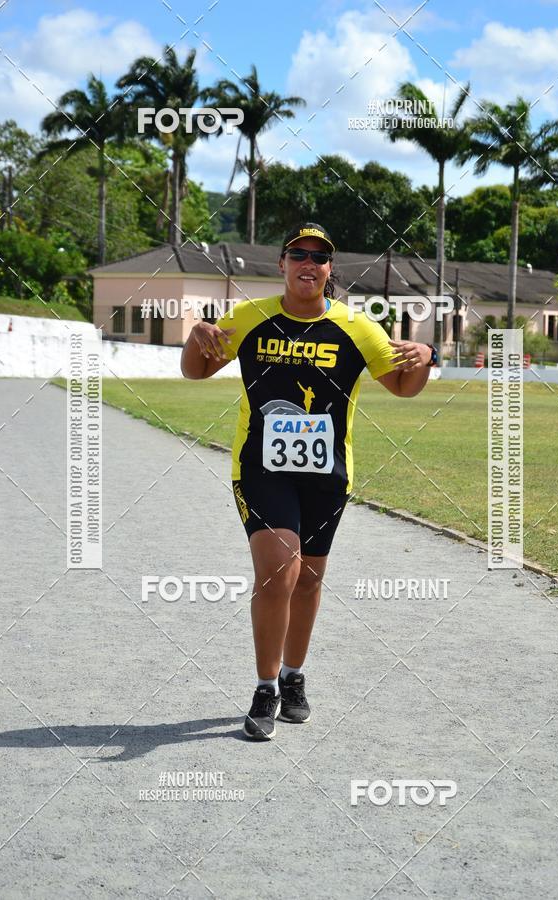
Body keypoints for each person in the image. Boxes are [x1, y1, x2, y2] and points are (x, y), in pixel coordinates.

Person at [181, 222, 437, 740]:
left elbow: (404, 387)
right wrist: (195, 337)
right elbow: (196, 371)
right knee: (280, 570)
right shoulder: (250, 318)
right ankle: (265, 686)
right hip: (260, 468)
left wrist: (428, 359)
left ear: (329, 271)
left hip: (327, 476)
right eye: (298, 254)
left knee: (310, 580)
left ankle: (295, 676)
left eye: (319, 257)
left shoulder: (356, 328)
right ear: (281, 264)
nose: (308, 263)